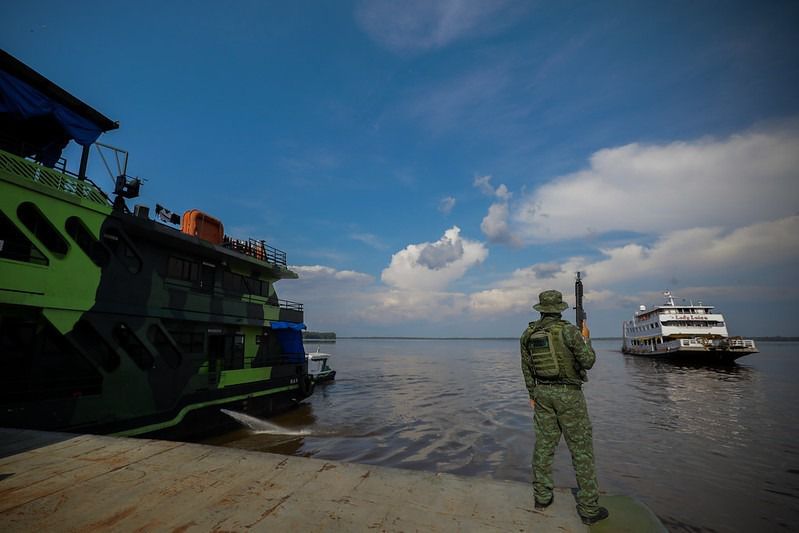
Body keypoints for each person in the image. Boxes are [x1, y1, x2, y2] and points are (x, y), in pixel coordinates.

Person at [520, 290, 609, 525]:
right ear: (559, 308)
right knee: (581, 450)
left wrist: (532, 394)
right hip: (569, 395)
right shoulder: (569, 331)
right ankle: (589, 509)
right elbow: (588, 362)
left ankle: (542, 497)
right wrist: (586, 338)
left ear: (541, 309)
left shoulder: (528, 334)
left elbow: (526, 368)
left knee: (543, 446)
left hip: (542, 394)